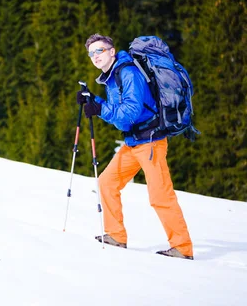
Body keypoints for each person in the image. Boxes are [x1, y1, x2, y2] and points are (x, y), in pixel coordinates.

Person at [77, 33, 194, 260]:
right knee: (107, 182)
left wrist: (100, 110)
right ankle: (115, 235)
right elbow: (118, 110)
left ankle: (182, 247)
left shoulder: (128, 72)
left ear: (112, 51)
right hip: (134, 142)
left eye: (99, 51)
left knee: (160, 195)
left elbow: (129, 113)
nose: (95, 57)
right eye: (91, 53)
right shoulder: (113, 76)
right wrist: (94, 100)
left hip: (151, 141)